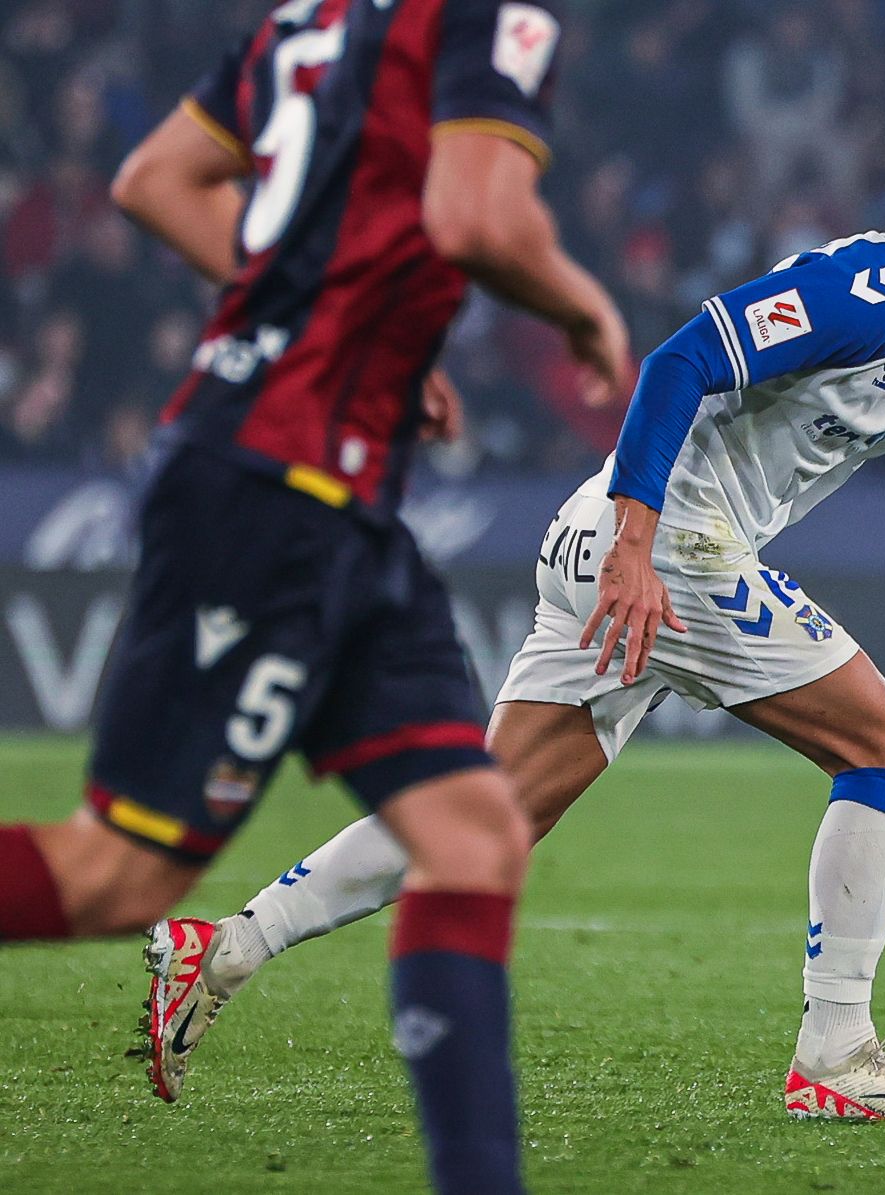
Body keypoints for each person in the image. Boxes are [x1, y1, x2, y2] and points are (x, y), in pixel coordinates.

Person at [158, 105, 885, 1125]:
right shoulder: (862, 294)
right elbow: (678, 362)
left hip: (626, 545)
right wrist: (637, 551)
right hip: (664, 544)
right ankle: (837, 1051)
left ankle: (225, 947)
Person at [0, 2, 629, 1192]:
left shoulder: (314, 22)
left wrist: (342, 322)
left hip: (327, 485)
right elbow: (477, 213)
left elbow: (157, 180)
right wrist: (579, 305)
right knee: (115, 877)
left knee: (473, 830)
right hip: (274, 485)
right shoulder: (486, 19)